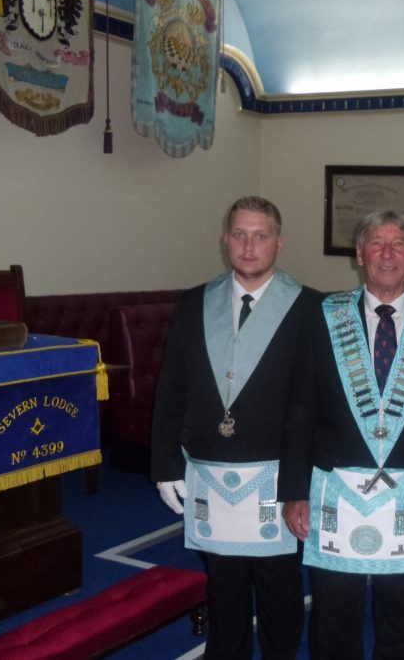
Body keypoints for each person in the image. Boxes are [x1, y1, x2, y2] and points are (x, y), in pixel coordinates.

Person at [279, 210, 404, 660]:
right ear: (359, 255)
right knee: (333, 616)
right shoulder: (320, 318)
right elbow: (299, 409)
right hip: (334, 492)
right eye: (376, 243)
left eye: (398, 243)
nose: (387, 254)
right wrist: (294, 491)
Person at [150, 196, 320, 660]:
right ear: (225, 240)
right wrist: (165, 463)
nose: (248, 247)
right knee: (223, 584)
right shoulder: (195, 303)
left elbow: (311, 403)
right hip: (209, 468)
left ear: (279, 243)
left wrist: (301, 486)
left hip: (276, 474)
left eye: (260, 236)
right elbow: (173, 386)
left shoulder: (310, 308)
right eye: (240, 235)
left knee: (279, 587)